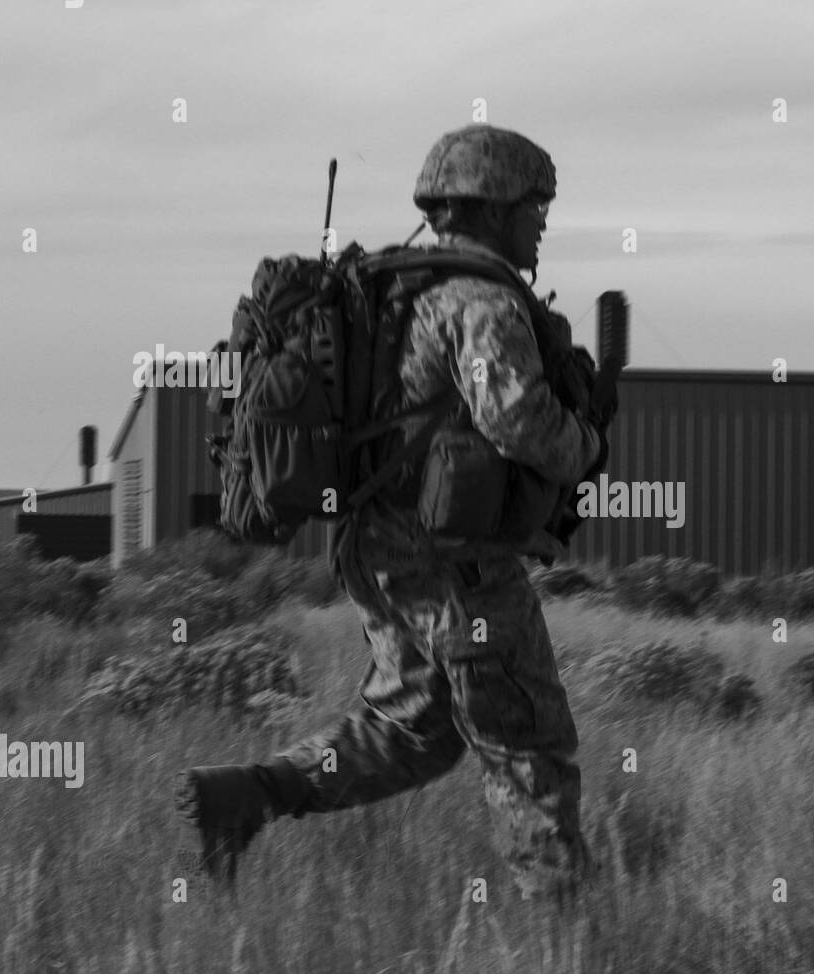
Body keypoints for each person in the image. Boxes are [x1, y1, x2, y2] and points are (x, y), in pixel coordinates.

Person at [175, 124, 607, 901]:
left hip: (378, 549)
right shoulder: (479, 302)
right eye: (534, 204)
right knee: (526, 739)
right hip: (455, 562)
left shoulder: (390, 291)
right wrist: (584, 443)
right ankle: (563, 938)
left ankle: (253, 794)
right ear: (497, 205)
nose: (542, 219)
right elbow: (514, 417)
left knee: (414, 729)